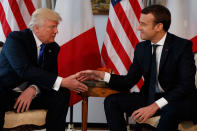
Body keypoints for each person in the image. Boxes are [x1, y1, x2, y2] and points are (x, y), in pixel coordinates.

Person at [77, 5, 197, 131]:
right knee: (111, 101)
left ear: (158, 27)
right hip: (150, 97)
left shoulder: (182, 46)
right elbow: (128, 81)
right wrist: (101, 75)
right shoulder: (141, 48)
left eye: (143, 24)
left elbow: (186, 86)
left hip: (178, 100)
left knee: (170, 110)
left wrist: (155, 105)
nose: (138, 27)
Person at [0, 8, 88, 131]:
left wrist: (33, 89)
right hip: (6, 92)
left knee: (61, 94)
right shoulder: (16, 39)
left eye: (56, 27)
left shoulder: (53, 47)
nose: (56, 31)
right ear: (36, 28)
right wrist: (63, 82)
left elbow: (50, 75)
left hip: (31, 96)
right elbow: (24, 70)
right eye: (52, 27)